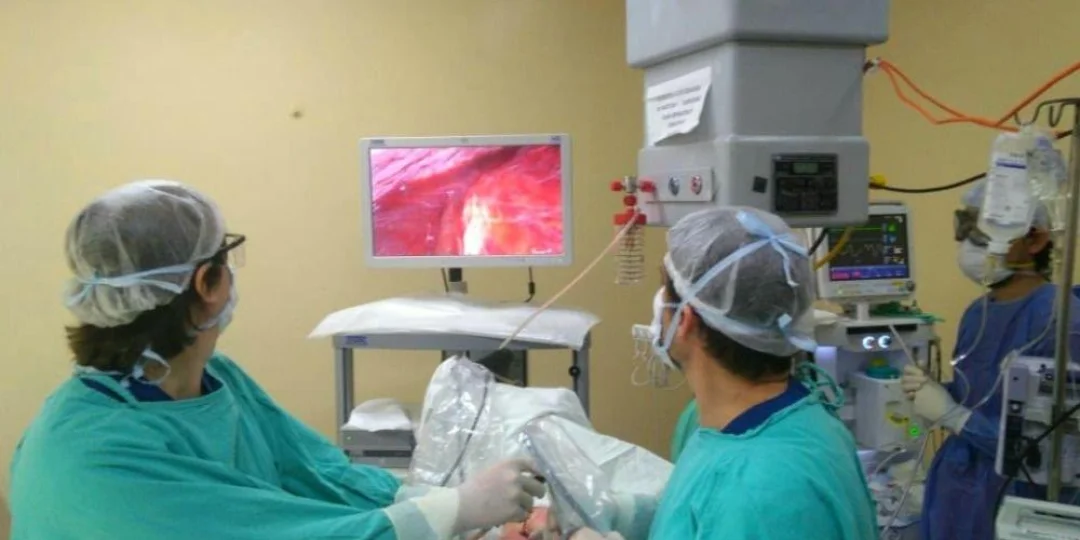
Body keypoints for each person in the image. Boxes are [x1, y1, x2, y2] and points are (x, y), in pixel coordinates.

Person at [8, 180, 545, 540]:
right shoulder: (95, 461)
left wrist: (445, 504)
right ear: (208, 283)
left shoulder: (211, 380)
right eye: (227, 256)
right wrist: (456, 509)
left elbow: (313, 471)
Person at [575, 207, 877, 540]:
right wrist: (621, 516)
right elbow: (695, 517)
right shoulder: (772, 418)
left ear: (684, 320)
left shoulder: (761, 489)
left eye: (664, 287)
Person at [902, 181, 1080, 540]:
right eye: (966, 227)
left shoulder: (1062, 322)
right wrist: (935, 393)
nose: (969, 244)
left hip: (1016, 506)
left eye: (986, 233)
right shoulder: (979, 312)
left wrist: (953, 416)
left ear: (1035, 240)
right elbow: (983, 395)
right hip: (958, 491)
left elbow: (1051, 452)